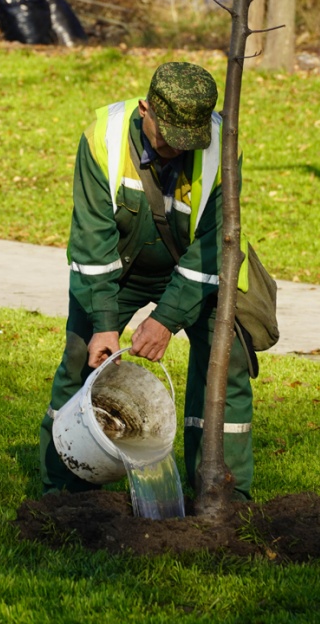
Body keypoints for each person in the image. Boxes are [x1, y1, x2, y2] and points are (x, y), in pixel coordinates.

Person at [39, 61, 255, 500]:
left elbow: (214, 244)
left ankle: (223, 497)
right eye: (166, 138)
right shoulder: (103, 140)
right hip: (120, 273)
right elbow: (91, 243)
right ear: (145, 110)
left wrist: (167, 318)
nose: (176, 150)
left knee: (224, 360)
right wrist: (103, 321)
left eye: (186, 142)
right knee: (82, 357)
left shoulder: (221, 147)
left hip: (193, 273)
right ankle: (62, 494)